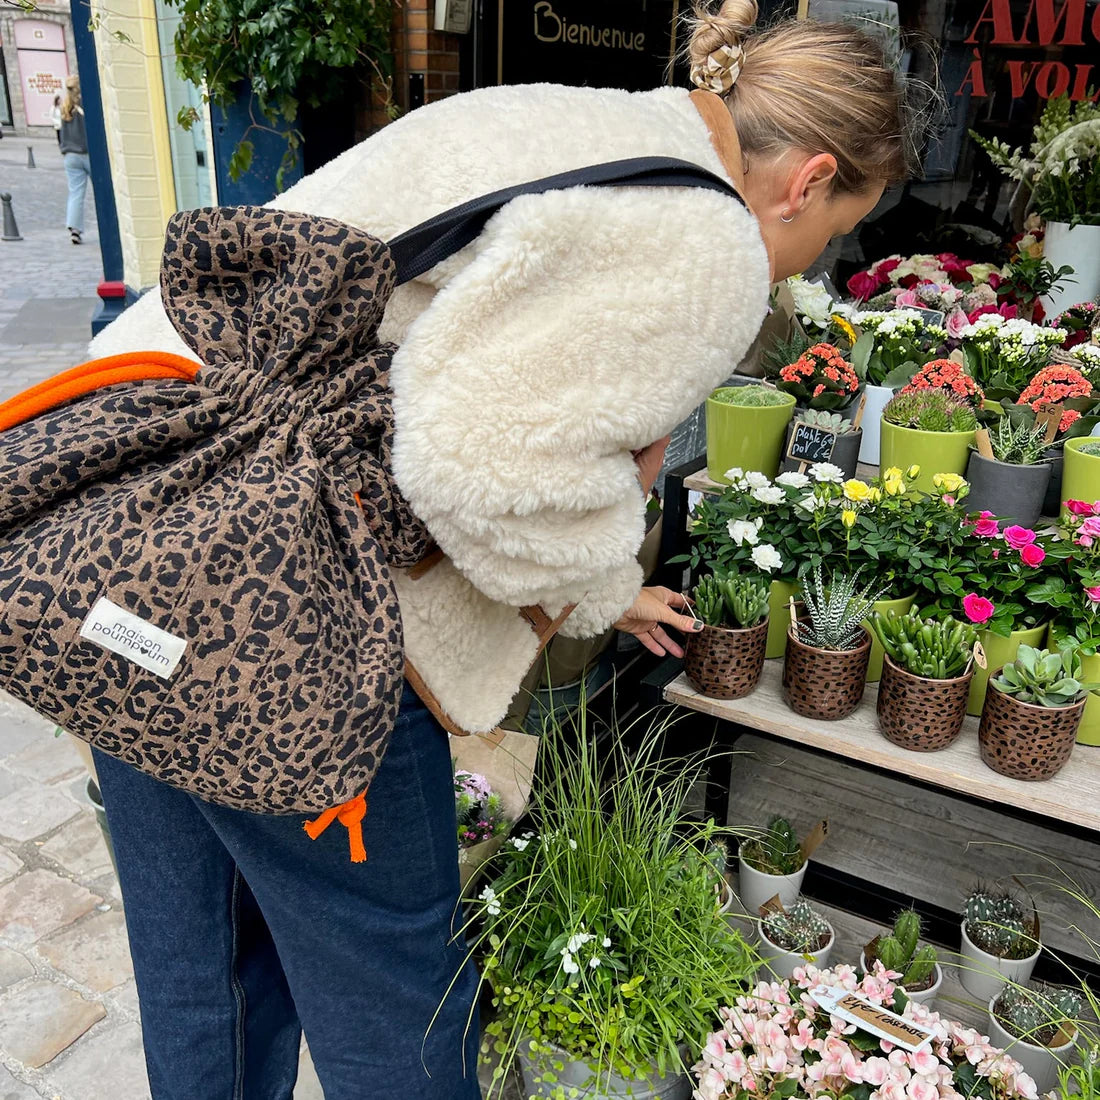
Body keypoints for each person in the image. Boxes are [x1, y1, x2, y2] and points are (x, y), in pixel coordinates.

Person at [82, 2, 913, 1096]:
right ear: (804, 179)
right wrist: (599, 578)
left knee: (205, 960)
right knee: (399, 1001)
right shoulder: (706, 237)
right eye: (835, 229)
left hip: (126, 535)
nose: (811, 259)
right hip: (288, 618)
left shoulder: (563, 120)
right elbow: (479, 456)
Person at [58, 76, 91, 244]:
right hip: (87, 154)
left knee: (76, 193)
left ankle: (75, 229)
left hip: (70, 155)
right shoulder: (84, 105)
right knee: (103, 190)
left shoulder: (65, 106)